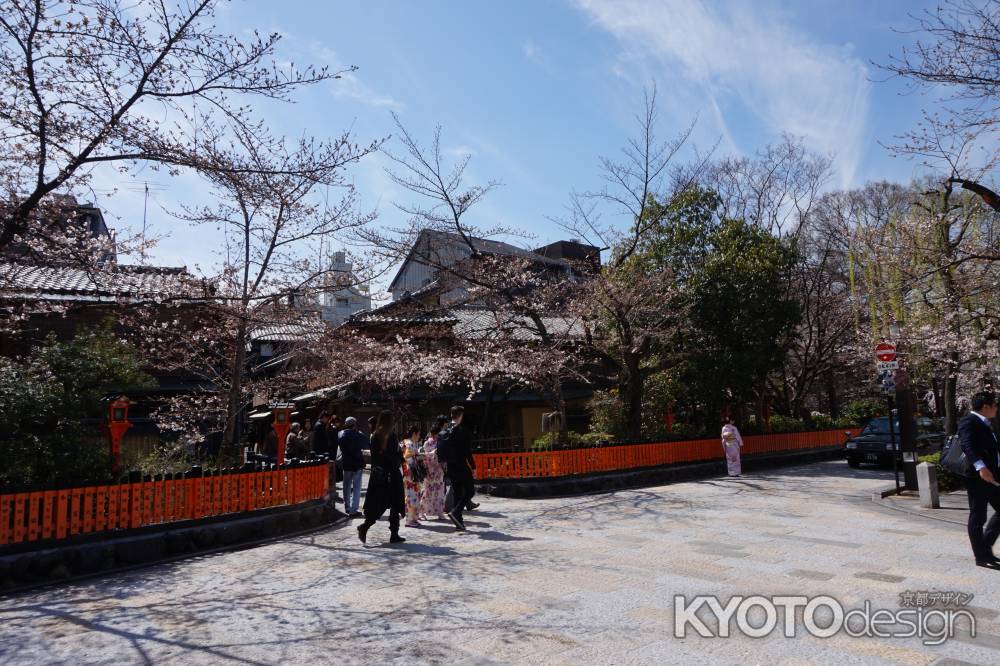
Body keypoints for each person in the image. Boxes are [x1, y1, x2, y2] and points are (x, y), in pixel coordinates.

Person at [958, 391, 1000, 568]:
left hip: (992, 475)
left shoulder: (985, 423)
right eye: (994, 405)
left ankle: (985, 546)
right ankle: (981, 556)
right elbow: (968, 446)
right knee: (978, 515)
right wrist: (981, 467)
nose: (996, 408)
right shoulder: (969, 421)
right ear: (985, 407)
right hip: (978, 477)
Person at [358, 410, 406, 545]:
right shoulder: (391, 437)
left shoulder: (375, 436)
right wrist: (399, 459)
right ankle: (393, 533)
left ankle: (366, 526)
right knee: (394, 504)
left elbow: (377, 458)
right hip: (391, 475)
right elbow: (394, 456)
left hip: (378, 476)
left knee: (378, 504)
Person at [442, 405, 475, 531]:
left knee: (457, 492)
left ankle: (458, 522)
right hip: (461, 465)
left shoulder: (447, 429)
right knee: (470, 491)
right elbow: (467, 451)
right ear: (461, 415)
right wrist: (473, 466)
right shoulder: (461, 430)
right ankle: (456, 512)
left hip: (450, 466)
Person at [338, 417, 367, 517]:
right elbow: (366, 444)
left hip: (346, 463)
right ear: (354, 425)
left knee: (346, 486)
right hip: (357, 463)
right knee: (356, 487)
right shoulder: (358, 434)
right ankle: (354, 509)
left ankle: (347, 507)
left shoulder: (340, 434)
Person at [420, 422, 448, 520]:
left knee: (440, 491)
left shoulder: (441, 442)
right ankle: (422, 511)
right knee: (428, 492)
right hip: (430, 471)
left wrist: (444, 464)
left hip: (439, 470)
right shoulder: (427, 443)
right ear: (433, 434)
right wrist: (433, 453)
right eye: (437, 433)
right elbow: (424, 456)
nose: (438, 435)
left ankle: (440, 512)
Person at [401, 425, 424, 527]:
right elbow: (408, 459)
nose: (419, 436)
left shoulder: (409, 443)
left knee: (415, 495)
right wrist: (419, 457)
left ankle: (414, 518)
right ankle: (410, 520)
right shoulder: (409, 444)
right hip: (411, 474)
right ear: (414, 434)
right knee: (411, 497)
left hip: (412, 474)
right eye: (418, 434)